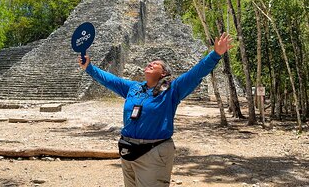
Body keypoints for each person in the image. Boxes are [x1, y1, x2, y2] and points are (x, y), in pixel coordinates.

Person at [78, 33, 233, 187]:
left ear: (164, 73)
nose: (150, 64)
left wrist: (216, 54)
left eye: (155, 63)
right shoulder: (134, 88)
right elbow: (109, 80)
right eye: (149, 63)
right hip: (128, 150)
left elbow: (196, 73)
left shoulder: (172, 89)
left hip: (154, 152)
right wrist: (89, 68)